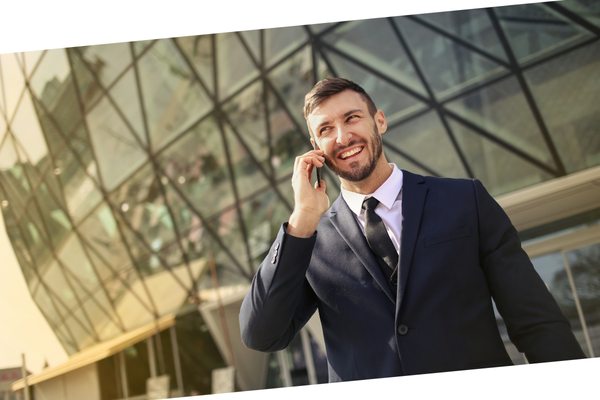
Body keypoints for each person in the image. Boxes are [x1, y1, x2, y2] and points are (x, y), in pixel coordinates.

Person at [239, 78, 585, 382]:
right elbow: (261, 335)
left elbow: (536, 320)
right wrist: (301, 219)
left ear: (380, 121)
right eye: (326, 129)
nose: (342, 137)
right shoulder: (309, 241)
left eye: (351, 118)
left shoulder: (465, 200)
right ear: (316, 147)